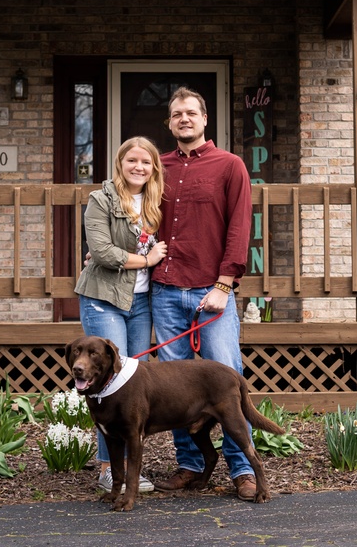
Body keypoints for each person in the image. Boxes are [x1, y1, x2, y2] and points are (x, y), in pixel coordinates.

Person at [149, 86, 257, 501]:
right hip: (165, 289)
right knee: (174, 389)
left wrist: (224, 284)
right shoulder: (158, 166)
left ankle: (243, 468)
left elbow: (238, 228)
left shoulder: (229, 166)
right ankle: (192, 465)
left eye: (191, 113)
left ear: (205, 119)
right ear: (170, 122)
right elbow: (137, 218)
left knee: (227, 378)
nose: (184, 119)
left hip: (212, 293)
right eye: (177, 114)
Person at [74, 136, 167, 495]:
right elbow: (101, 250)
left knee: (131, 386)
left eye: (146, 162)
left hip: (141, 303)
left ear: (154, 167)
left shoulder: (158, 203)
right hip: (103, 298)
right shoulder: (102, 199)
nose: (139, 167)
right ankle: (107, 469)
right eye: (132, 160)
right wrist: (146, 260)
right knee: (106, 382)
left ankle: (128, 468)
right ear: (120, 163)